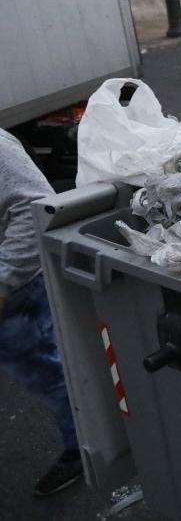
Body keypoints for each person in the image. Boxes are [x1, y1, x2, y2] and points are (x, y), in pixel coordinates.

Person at [0, 130, 83, 497]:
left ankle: (84, 444)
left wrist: (3, 282)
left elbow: (34, 208)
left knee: (50, 371)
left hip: (15, 294)